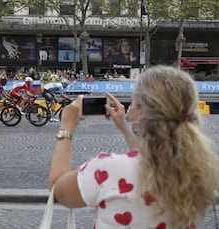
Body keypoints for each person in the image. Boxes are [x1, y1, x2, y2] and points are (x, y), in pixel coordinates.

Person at [48, 66, 219, 228]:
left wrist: (66, 128)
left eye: (133, 102)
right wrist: (123, 126)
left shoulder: (108, 169)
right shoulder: (199, 170)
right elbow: (149, 156)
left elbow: (58, 188)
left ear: (141, 111)